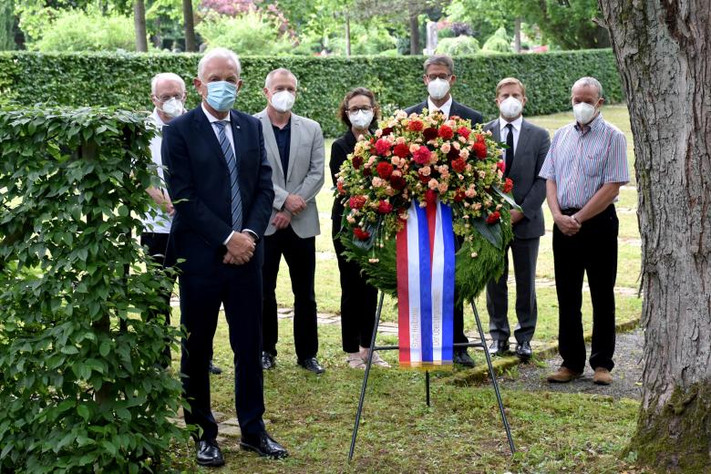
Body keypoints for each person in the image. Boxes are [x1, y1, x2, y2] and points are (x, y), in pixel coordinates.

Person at [161, 47, 287, 466]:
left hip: (249, 254)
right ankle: (203, 433)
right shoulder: (178, 131)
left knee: (248, 345)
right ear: (198, 84)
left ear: (240, 83)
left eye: (229, 78)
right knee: (197, 348)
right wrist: (226, 238)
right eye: (214, 78)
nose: (222, 85)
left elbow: (264, 188)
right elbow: (183, 196)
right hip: (200, 258)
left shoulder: (252, 127)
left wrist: (248, 235)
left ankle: (253, 429)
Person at [539, 76, 629, 386]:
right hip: (563, 223)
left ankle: (602, 363)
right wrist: (557, 215)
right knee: (567, 293)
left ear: (600, 102)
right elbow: (549, 178)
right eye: (577, 99)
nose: (581, 105)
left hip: (598, 223)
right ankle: (571, 362)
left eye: (587, 101)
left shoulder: (613, 137)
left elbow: (613, 184)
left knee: (602, 293)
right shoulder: (561, 135)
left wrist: (578, 217)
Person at [405, 54, 483, 367]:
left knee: (453, 274)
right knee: (423, 274)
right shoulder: (409, 117)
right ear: (425, 79)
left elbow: (479, 163)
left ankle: (458, 343)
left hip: (456, 212)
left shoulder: (470, 116)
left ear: (452, 79)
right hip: (420, 212)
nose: (437, 80)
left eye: (443, 75)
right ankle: (425, 341)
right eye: (432, 75)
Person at [143, 72, 223, 375]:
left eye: (177, 95)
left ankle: (201, 356)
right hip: (157, 228)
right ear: (154, 99)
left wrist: (189, 207)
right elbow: (140, 175)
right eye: (165, 96)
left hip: (193, 227)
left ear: (186, 96)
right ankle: (158, 359)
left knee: (199, 296)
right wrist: (168, 203)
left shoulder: (197, 127)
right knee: (157, 296)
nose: (172, 101)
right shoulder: (144, 130)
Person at [254, 68, 326, 375]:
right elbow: (253, 172)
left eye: (291, 88)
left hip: (301, 221)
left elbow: (317, 172)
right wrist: (282, 201)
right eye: (280, 87)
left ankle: (307, 353)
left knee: (305, 293)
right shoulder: (251, 126)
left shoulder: (311, 128)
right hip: (266, 221)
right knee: (263, 290)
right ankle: (265, 350)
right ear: (266, 92)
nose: (286, 93)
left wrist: (293, 205)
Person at [484, 78, 550, 361]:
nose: (510, 99)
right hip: (491, 223)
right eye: (504, 95)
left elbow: (544, 178)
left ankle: (525, 337)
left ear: (524, 100)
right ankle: (498, 336)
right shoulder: (484, 133)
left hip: (526, 222)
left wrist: (521, 211)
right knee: (494, 281)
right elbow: (477, 177)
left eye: (515, 95)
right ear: (497, 100)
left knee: (526, 282)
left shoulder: (540, 135)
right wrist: (492, 212)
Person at [331, 87, 390, 369]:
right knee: (351, 285)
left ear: (374, 110)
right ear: (346, 113)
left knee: (371, 286)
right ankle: (353, 350)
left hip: (378, 224)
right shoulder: (340, 146)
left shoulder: (385, 141)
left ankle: (370, 347)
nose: (360, 113)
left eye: (364, 107)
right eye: (354, 109)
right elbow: (342, 185)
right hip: (347, 225)